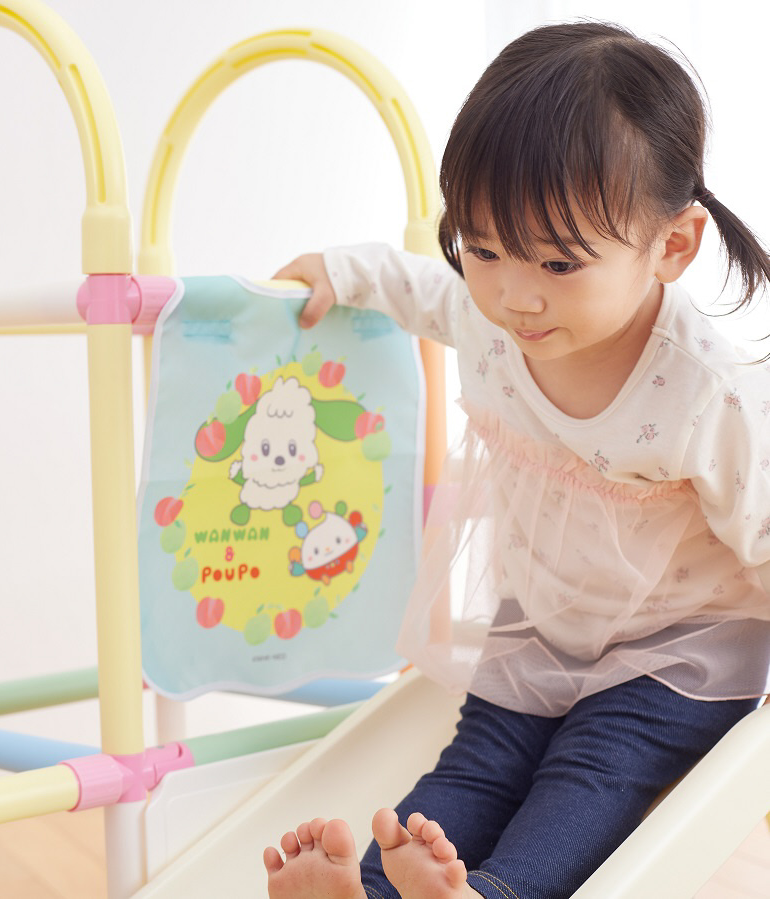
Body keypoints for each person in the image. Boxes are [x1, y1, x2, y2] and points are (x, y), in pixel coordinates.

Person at [261, 21, 770, 899]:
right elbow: (421, 288)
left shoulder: (702, 393)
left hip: (676, 656)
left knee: (592, 775)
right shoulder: (488, 313)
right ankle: (374, 890)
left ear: (672, 247)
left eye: (559, 263)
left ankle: (495, 893)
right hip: (542, 622)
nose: (514, 293)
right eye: (484, 247)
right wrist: (342, 273)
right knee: (477, 765)